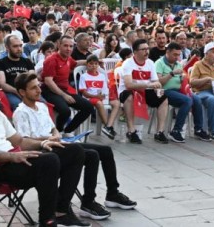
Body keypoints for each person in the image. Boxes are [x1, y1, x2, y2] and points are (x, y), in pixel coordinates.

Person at [0, 70, 88, 227]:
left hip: (13, 160)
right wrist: (11, 157)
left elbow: (19, 141)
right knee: (49, 161)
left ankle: (61, 211)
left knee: (74, 150)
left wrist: (43, 143)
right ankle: (47, 221)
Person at [12, 73, 136, 222]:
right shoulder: (21, 112)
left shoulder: (42, 106)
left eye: (38, 86)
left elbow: (53, 128)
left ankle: (112, 194)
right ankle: (86, 202)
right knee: (91, 155)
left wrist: (56, 134)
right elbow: (24, 141)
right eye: (33, 88)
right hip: (42, 150)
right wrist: (49, 139)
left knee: (105, 150)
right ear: (22, 92)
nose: (38, 90)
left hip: (56, 143)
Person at [156, 42, 209, 142]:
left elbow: (184, 79)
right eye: (174, 54)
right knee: (187, 101)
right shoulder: (159, 63)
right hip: (165, 91)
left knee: (197, 99)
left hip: (179, 90)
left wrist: (183, 78)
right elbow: (159, 82)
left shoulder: (177, 64)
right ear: (167, 52)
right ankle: (176, 130)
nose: (177, 57)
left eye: (178, 55)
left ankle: (198, 129)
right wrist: (171, 74)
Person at [120, 39, 170, 144]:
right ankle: (131, 131)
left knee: (163, 98)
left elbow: (155, 81)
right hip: (129, 91)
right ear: (135, 52)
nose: (147, 51)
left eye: (148, 49)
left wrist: (157, 86)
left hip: (146, 91)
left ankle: (159, 132)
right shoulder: (127, 63)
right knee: (129, 97)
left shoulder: (150, 63)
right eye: (143, 49)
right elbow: (128, 84)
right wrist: (148, 84)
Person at [42, 36, 94, 135]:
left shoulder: (68, 58)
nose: (68, 49)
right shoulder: (52, 60)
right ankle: (58, 131)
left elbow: (75, 63)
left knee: (88, 107)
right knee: (65, 111)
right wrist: (64, 95)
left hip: (63, 90)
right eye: (65, 46)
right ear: (59, 45)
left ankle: (67, 131)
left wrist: (92, 62)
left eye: (71, 46)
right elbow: (48, 81)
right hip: (49, 91)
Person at [0, 35, 35, 112]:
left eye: (20, 46)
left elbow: (32, 78)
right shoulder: (0, 63)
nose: (19, 49)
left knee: (43, 104)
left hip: (28, 90)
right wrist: (16, 91)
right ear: (7, 47)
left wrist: (27, 92)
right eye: (15, 46)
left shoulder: (27, 61)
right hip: (11, 92)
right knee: (19, 107)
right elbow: (1, 84)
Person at [76, 55, 117, 135]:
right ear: (87, 65)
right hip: (88, 99)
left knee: (116, 103)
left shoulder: (101, 76)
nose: (93, 66)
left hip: (100, 98)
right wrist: (96, 97)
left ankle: (108, 126)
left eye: (95, 64)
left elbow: (105, 90)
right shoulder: (84, 76)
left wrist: (103, 97)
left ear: (98, 65)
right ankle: (107, 126)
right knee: (98, 103)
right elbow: (84, 93)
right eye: (91, 64)